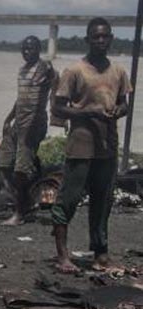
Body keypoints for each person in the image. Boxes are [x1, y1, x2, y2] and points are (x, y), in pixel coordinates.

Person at [51, 17, 131, 273]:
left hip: (107, 145)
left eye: (105, 36)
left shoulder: (118, 71)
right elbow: (58, 106)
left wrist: (118, 110)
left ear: (111, 38)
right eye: (96, 37)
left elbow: (124, 103)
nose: (101, 41)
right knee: (69, 199)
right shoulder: (74, 71)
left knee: (103, 201)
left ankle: (101, 254)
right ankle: (62, 256)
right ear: (87, 40)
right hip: (81, 143)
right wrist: (88, 113)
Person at [0, 36, 57, 225]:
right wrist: (8, 119)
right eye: (24, 48)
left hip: (34, 124)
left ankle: (20, 213)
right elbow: (21, 99)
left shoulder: (44, 67)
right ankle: (28, 200)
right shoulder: (22, 71)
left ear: (38, 49)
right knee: (4, 165)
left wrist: (55, 113)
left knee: (21, 171)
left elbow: (54, 79)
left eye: (30, 48)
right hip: (18, 123)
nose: (26, 52)